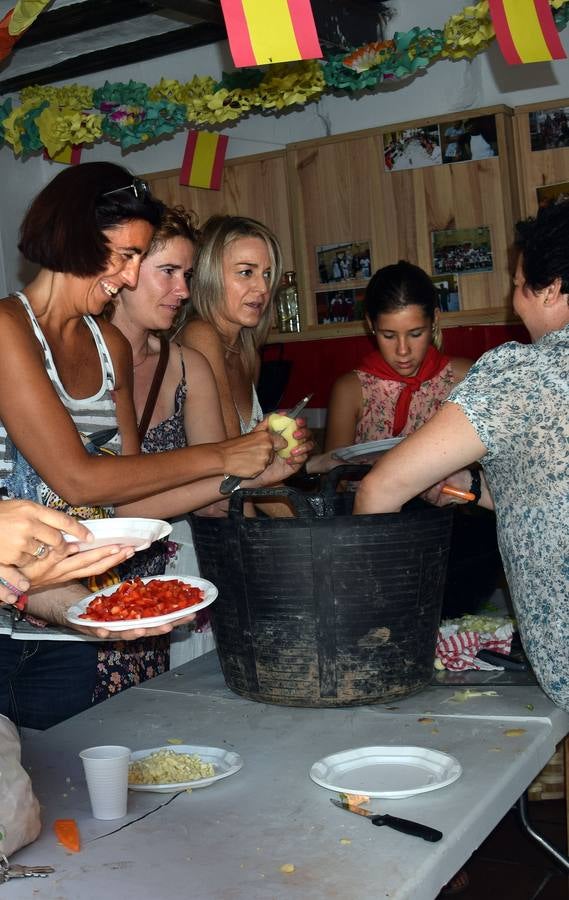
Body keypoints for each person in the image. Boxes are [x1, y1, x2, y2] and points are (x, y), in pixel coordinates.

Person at [0, 163, 293, 726]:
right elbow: (77, 479)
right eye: (123, 256)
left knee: (74, 804)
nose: (129, 277)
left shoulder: (108, 342)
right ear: (72, 238)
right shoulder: (9, 329)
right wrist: (221, 456)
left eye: (138, 258)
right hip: (8, 618)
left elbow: (125, 498)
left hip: (73, 615)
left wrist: (243, 477)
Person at [354, 201, 569, 714]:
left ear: (552, 288)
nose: (514, 299)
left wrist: (376, 619)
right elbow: (545, 490)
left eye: (519, 284)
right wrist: (470, 486)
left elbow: (378, 489)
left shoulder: (521, 373)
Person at [177, 215, 310, 516]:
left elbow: (251, 482)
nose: (262, 287)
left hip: (231, 519)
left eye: (267, 274)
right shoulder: (201, 335)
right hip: (197, 532)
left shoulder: (246, 348)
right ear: (209, 276)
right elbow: (228, 476)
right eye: (246, 272)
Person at [312, 260, 472, 464]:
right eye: (388, 336)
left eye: (415, 334)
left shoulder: (464, 378)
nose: (403, 351)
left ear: (434, 320)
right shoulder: (352, 391)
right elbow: (335, 480)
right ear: (371, 325)